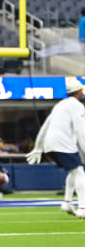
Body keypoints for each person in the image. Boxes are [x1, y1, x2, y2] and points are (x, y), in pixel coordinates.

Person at [27, 81, 85, 217]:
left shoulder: (59, 105)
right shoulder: (78, 106)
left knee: (73, 172)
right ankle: (82, 208)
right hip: (63, 144)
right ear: (78, 92)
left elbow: (44, 127)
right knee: (80, 173)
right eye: (81, 91)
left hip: (49, 145)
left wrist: (38, 148)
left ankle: (67, 202)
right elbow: (80, 131)